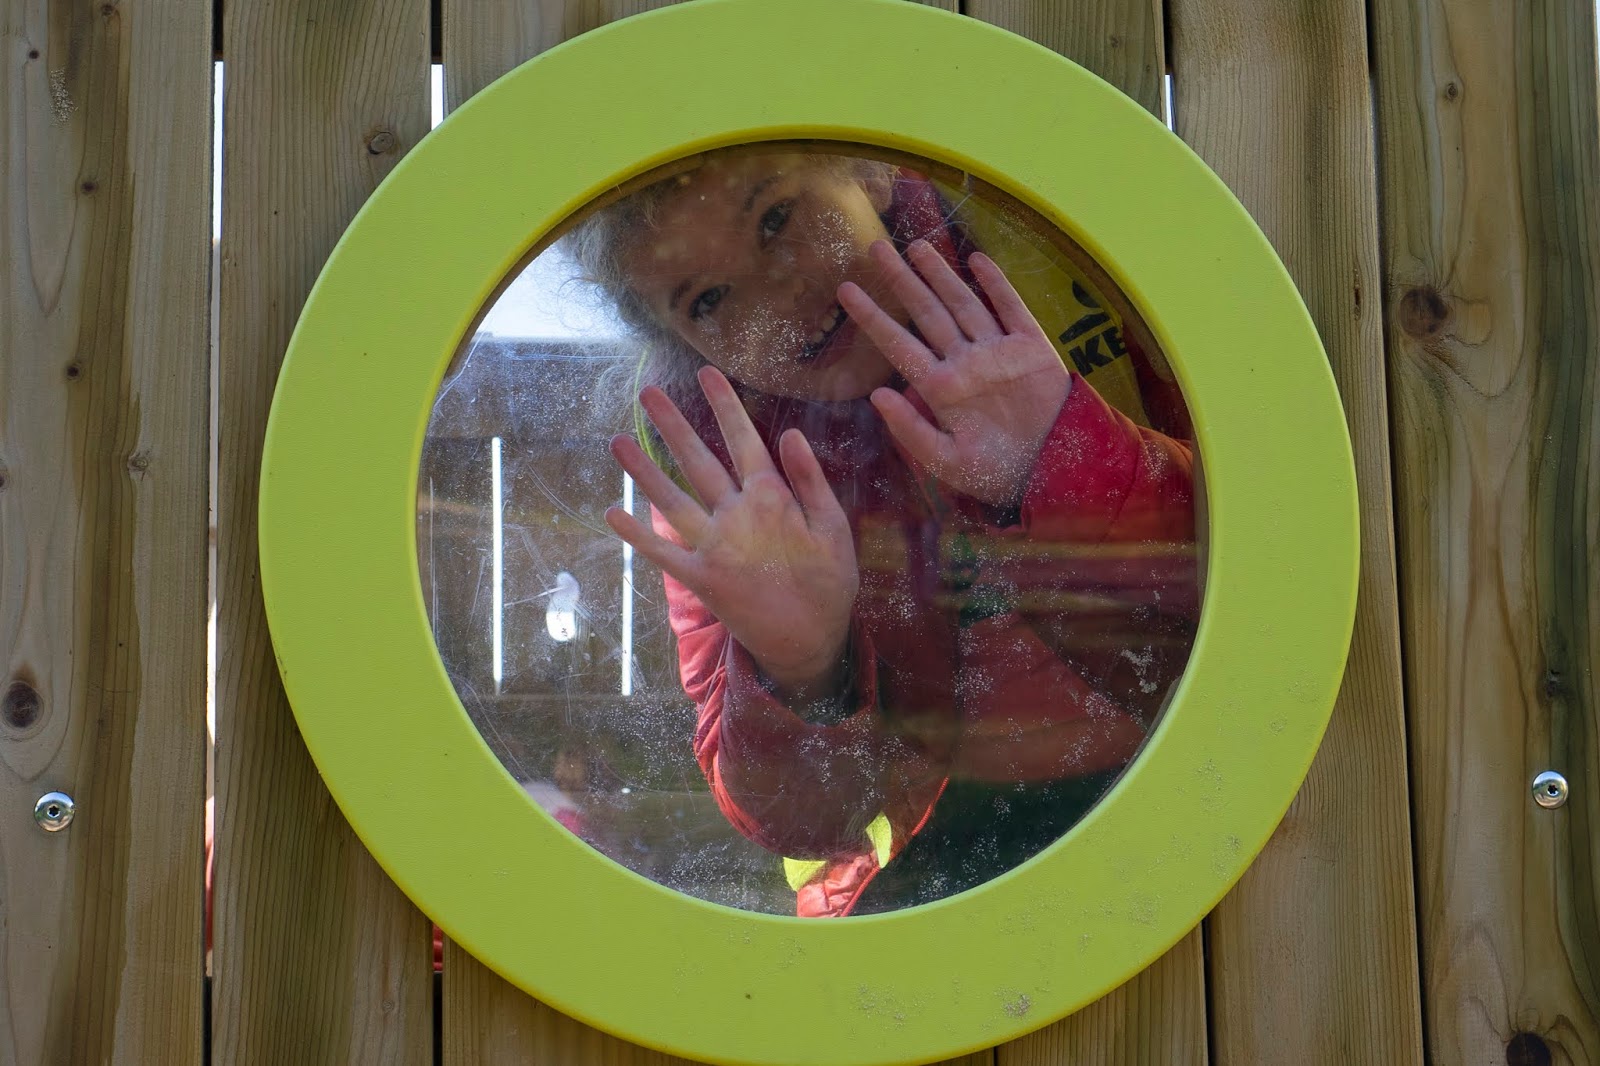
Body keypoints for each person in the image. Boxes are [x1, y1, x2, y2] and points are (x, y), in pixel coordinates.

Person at [568, 148, 1198, 917]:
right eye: (708, 299)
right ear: (684, 341)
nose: (779, 299)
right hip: (937, 863)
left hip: (1188, 782)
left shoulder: (1054, 251)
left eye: (777, 218)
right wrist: (800, 669)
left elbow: (1271, 584)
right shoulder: (717, 455)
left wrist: (1058, 459)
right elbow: (802, 823)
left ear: (870, 171)